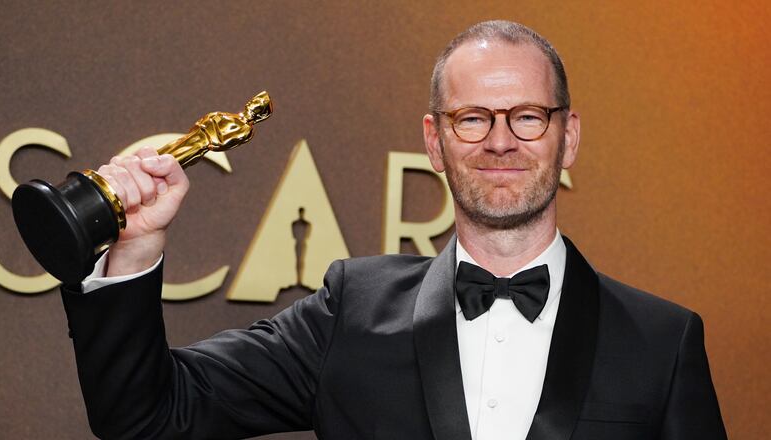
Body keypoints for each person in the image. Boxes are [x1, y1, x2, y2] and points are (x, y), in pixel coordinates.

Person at [61, 20, 727, 440]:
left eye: (527, 116)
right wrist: (138, 245)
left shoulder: (662, 341)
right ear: (434, 142)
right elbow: (147, 418)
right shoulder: (351, 311)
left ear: (567, 136)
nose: (500, 141)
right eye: (472, 118)